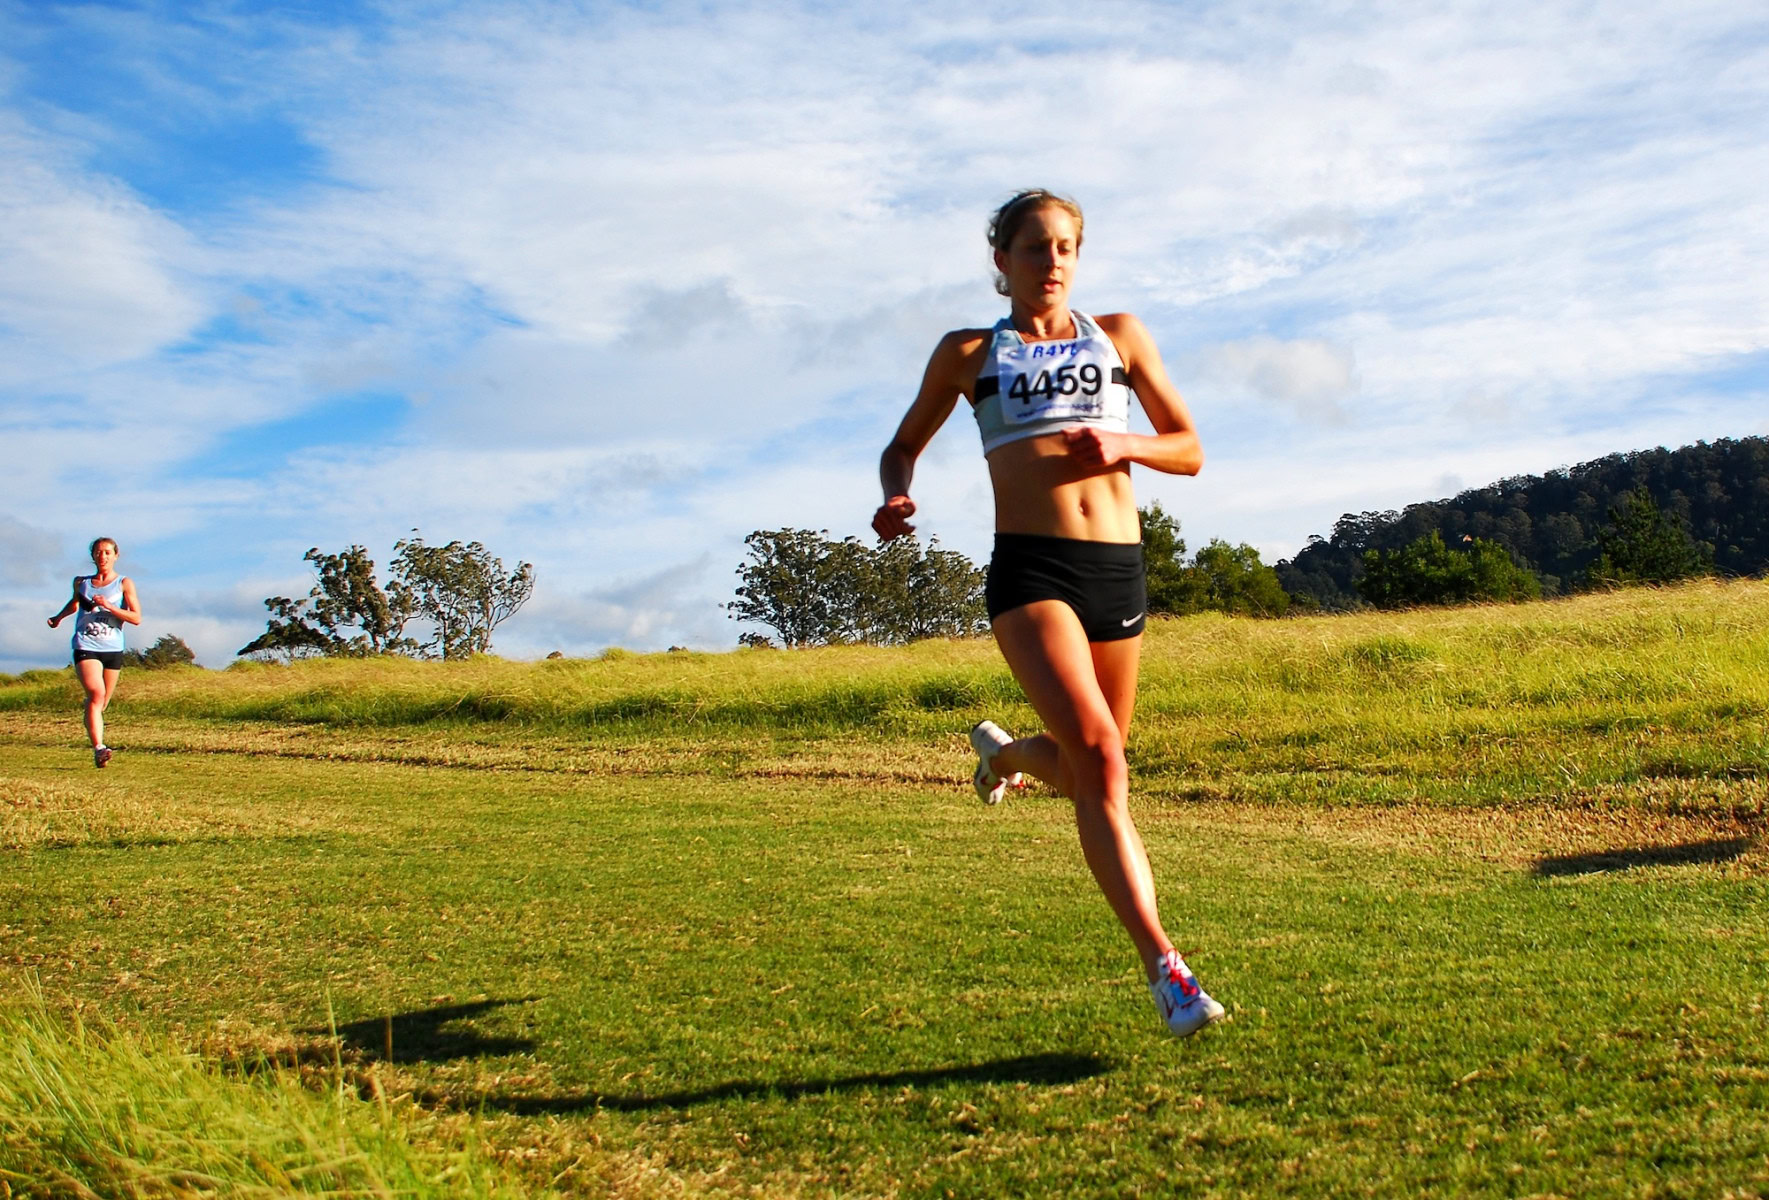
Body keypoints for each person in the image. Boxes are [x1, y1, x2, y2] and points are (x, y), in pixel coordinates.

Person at [872, 190, 1224, 1036]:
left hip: (1117, 570)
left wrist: (1125, 445)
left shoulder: (1120, 336)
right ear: (1000, 260)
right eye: (1035, 248)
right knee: (1100, 758)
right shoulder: (967, 353)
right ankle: (1166, 972)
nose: (1053, 261)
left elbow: (1190, 449)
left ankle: (1005, 758)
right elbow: (902, 442)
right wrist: (895, 495)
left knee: (1092, 771)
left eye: (1065, 246)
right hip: (1031, 571)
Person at [46, 537, 141, 768]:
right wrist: (58, 618)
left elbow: (136, 617)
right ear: (93, 556)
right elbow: (74, 604)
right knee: (97, 694)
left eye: (108, 552)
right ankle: (100, 748)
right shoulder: (81, 583)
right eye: (99, 552)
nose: (103, 556)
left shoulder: (123, 583)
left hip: (113, 648)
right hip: (86, 646)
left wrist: (109, 606)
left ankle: (93, 728)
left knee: (101, 703)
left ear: (116, 555)